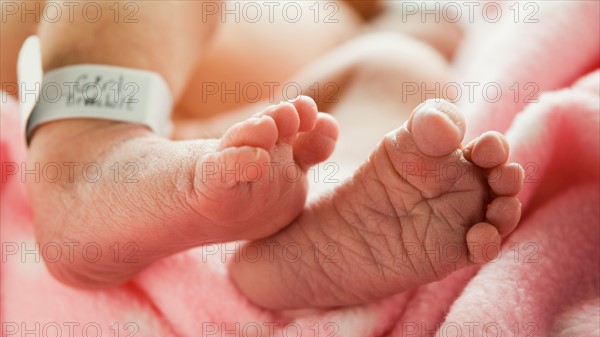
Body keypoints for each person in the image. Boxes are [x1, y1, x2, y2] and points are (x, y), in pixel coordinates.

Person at [1, 1, 522, 309]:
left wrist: (420, 27)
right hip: (85, 73)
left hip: (224, 154)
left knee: (408, 74)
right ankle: (88, 156)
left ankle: (309, 235)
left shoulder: (364, 27)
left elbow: (439, 24)